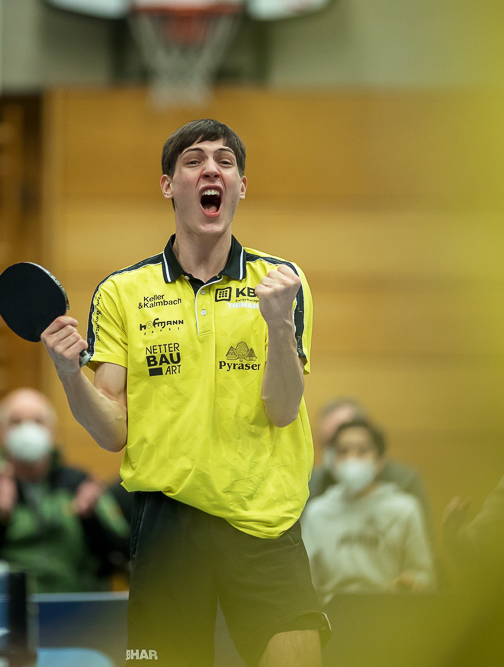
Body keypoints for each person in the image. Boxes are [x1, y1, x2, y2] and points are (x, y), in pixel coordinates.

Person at [39, 119, 327, 667]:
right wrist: (69, 374)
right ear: (169, 185)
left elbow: (283, 408)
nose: (211, 169)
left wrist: (278, 323)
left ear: (241, 186)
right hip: (167, 524)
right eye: (193, 161)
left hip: (262, 517)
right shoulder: (122, 291)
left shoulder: (281, 282)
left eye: (225, 161)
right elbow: (112, 430)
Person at [0, 388, 129, 593]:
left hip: (76, 605)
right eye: (16, 422)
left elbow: (120, 554)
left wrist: (89, 519)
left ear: (52, 430)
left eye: (38, 421)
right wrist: (0, 519)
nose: (27, 429)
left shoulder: (79, 485)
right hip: (10, 606)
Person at [301, 418, 434, 603]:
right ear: (332, 461)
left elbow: (423, 574)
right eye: (343, 451)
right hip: (332, 612)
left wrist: (412, 582)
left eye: (362, 451)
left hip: (389, 609)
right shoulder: (317, 512)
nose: (352, 458)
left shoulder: (404, 509)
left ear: (379, 461)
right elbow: (305, 580)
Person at [308, 398, 433, 535]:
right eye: (327, 443)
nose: (351, 457)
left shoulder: (405, 482)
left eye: (360, 450)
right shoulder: (312, 487)